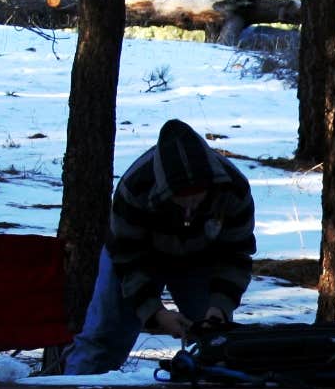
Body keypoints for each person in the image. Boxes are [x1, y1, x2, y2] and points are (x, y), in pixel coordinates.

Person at [66, 118, 256, 375]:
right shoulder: (134, 189)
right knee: (102, 341)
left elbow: (236, 256)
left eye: (197, 197)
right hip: (140, 258)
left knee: (215, 343)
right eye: (181, 199)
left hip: (202, 260)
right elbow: (126, 258)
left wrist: (220, 306)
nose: (190, 206)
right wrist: (154, 312)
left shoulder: (234, 190)